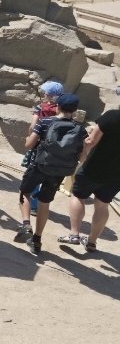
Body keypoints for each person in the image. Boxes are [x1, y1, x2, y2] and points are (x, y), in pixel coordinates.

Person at [14, 93, 87, 254]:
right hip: (60, 171)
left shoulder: (45, 122)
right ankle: (37, 240)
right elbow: (82, 157)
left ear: (58, 106)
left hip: (39, 166)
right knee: (44, 202)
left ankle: (26, 224)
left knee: (25, 193)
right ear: (75, 111)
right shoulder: (80, 129)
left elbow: (28, 144)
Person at [60, 104, 120, 253]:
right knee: (102, 204)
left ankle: (74, 234)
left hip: (94, 167)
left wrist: (82, 153)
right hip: (116, 175)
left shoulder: (112, 116)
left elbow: (91, 141)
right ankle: (92, 242)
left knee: (78, 196)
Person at [22, 80, 64, 214]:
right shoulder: (62, 109)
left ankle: (33, 206)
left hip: (39, 145)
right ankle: (42, 203)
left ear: (50, 95)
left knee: (34, 173)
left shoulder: (41, 108)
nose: (44, 94)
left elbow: (33, 126)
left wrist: (31, 137)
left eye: (46, 92)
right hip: (55, 148)